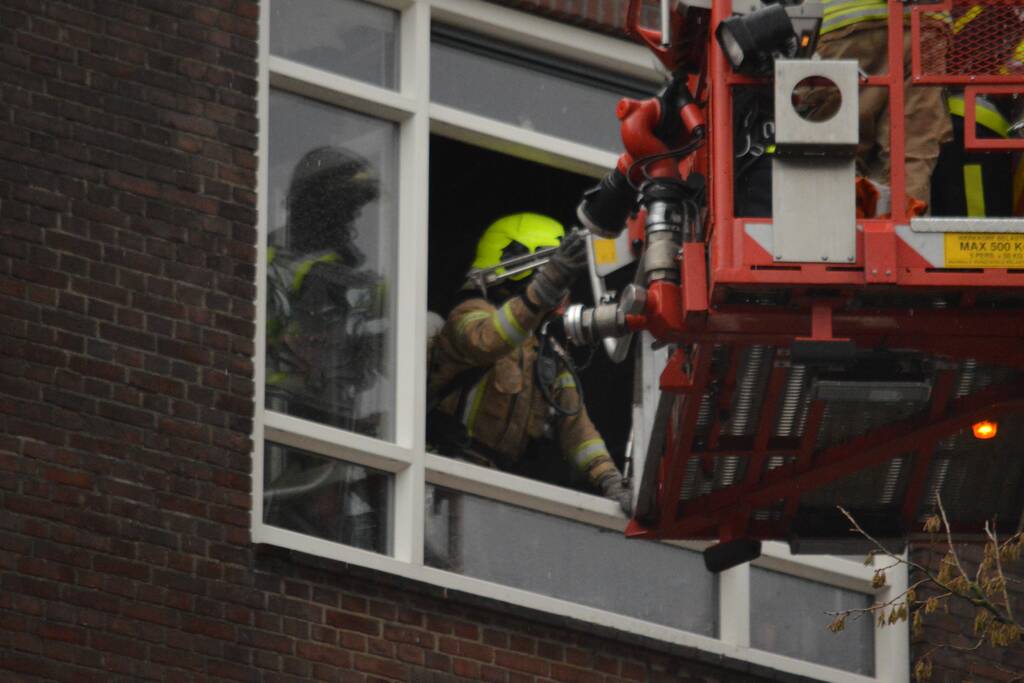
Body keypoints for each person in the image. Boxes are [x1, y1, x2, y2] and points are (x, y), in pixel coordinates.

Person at [426, 212, 633, 514]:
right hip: (440, 475)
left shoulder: (545, 353)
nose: (561, 289)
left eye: (562, 279)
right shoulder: (467, 315)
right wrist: (544, 288)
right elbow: (489, 340)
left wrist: (610, 479)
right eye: (554, 276)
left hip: (493, 492)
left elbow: (578, 432)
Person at [265, 145, 388, 437]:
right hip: (283, 409)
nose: (354, 220)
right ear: (322, 206)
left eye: (355, 211)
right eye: (348, 209)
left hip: (334, 409)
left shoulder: (351, 272)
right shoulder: (273, 263)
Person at [815, 0, 953, 209]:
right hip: (926, 20)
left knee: (839, 147)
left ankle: (836, 231)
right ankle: (907, 232)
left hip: (851, 20)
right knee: (912, 151)